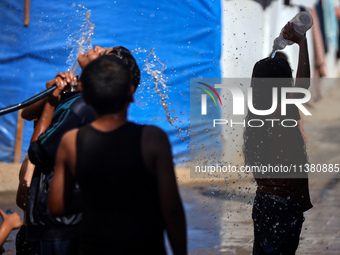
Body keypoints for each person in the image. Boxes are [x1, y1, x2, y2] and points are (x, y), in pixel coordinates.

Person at [48, 55, 187, 255]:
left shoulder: (71, 142)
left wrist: (98, 195)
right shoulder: (153, 139)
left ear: (85, 97)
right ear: (131, 93)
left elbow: (56, 206)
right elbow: (172, 209)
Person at [25, 46, 139, 255]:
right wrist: (54, 91)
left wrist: (51, 103)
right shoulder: (78, 98)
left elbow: (37, 152)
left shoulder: (80, 108)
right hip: (62, 225)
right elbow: (26, 113)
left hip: (56, 228)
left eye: (102, 53)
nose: (95, 47)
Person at [243, 22, 313, 254]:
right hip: (281, 203)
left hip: (265, 201)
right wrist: (302, 43)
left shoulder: (256, 111)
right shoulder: (281, 110)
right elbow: (304, 85)